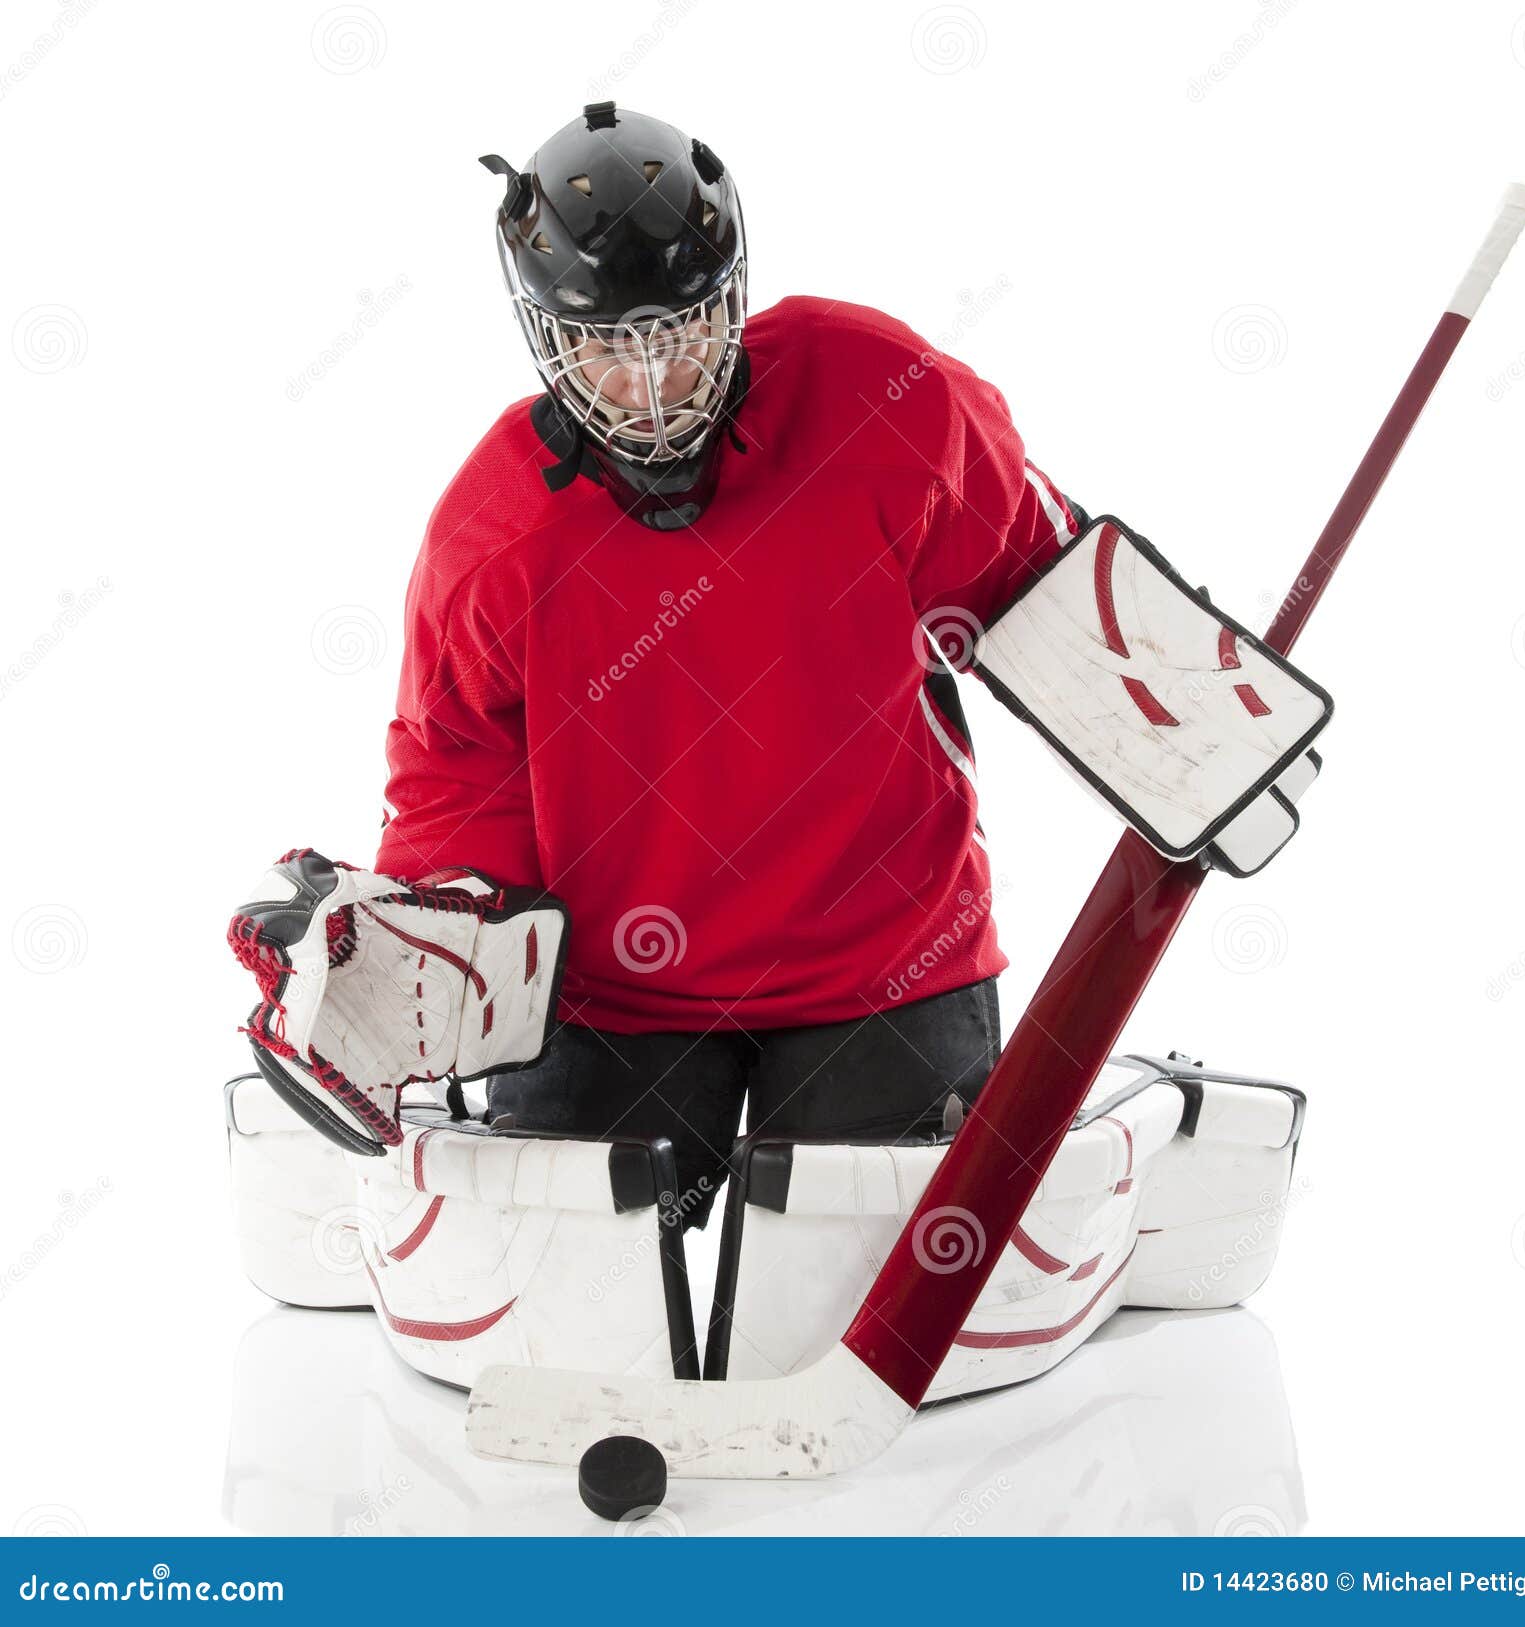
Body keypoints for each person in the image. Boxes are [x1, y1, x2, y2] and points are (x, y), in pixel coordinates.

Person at [370, 101, 1089, 1221]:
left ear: (732, 298)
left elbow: (1035, 572)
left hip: (886, 955)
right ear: (545, 336)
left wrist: (1187, 714)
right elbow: (455, 763)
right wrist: (447, 951)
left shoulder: (882, 396)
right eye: (609, 344)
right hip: (613, 993)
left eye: (681, 329)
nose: (653, 382)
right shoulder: (491, 537)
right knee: (588, 1321)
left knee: (857, 1307)